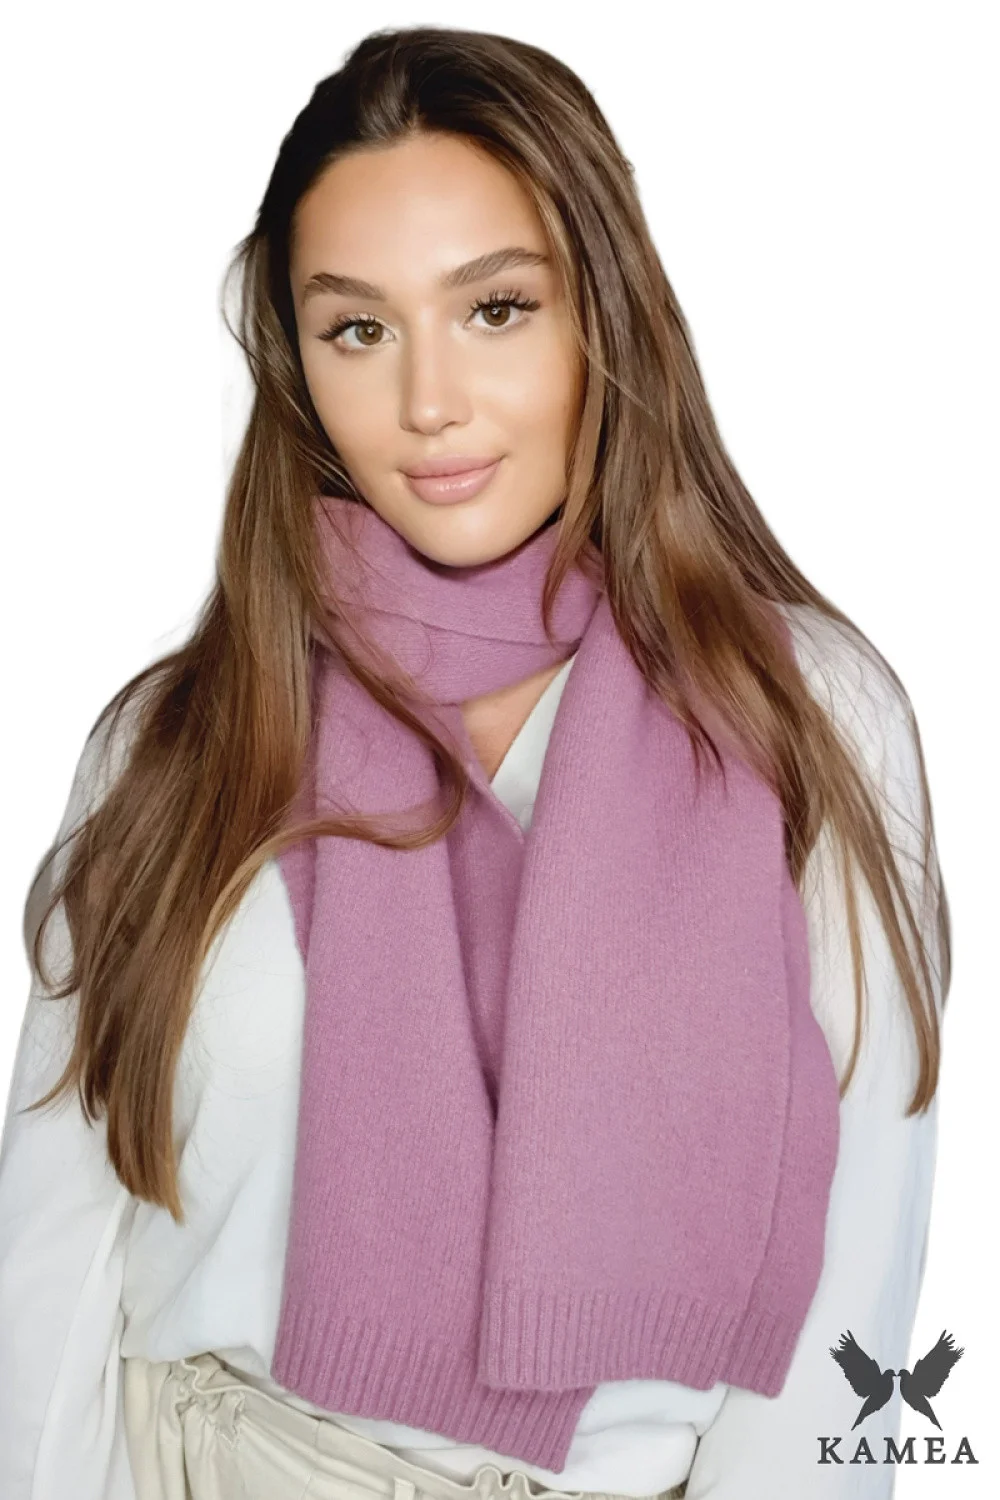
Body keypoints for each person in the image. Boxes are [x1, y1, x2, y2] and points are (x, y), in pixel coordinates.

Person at [0, 24, 950, 1500]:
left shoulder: (808, 717)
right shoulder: (184, 734)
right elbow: (59, 1260)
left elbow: (852, 1295)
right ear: (297, 359)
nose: (428, 401)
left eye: (496, 309)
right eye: (358, 330)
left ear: (604, 315)